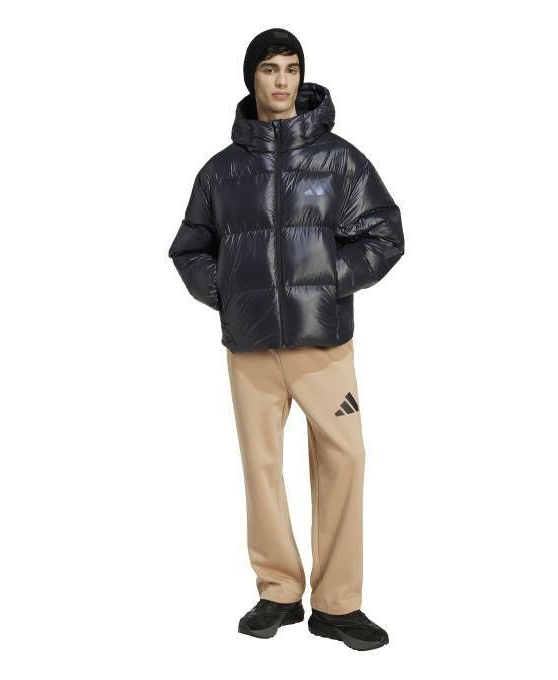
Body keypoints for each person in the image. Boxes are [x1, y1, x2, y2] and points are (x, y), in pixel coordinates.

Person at [168, 27, 404, 651]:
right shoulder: (222, 171)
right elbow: (190, 248)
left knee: (345, 459)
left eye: (291, 69)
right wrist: (228, 292)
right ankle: (278, 591)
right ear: (252, 77)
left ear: (302, 76)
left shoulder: (339, 160)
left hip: (323, 344)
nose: (281, 81)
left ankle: (338, 605)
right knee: (262, 466)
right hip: (250, 348)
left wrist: (329, 280)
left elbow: (385, 235)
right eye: (270, 69)